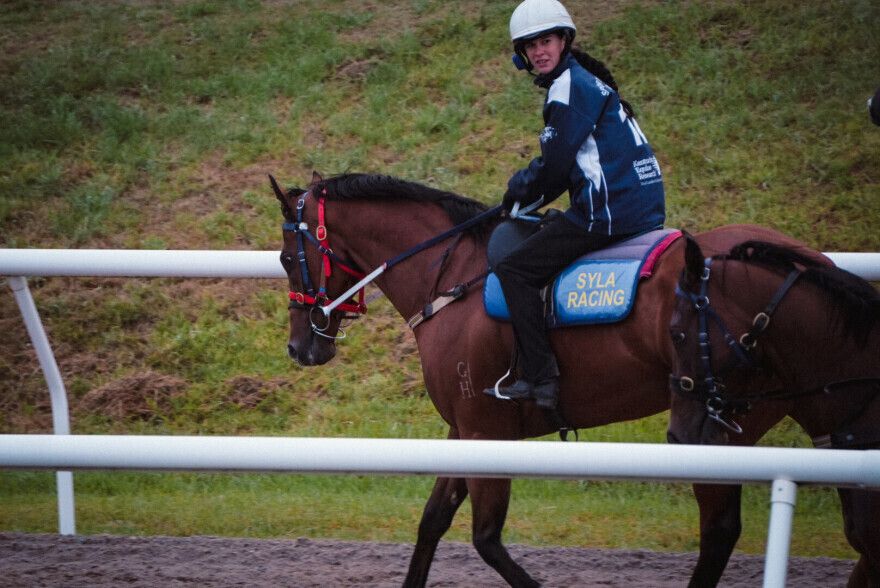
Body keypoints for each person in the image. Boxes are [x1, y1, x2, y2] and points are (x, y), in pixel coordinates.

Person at [484, 0, 666, 409]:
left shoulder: (568, 88)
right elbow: (570, 168)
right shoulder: (585, 82)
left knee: (514, 271)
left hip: (611, 212)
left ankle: (541, 379)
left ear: (564, 41)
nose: (539, 52)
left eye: (546, 41)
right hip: (638, 206)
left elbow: (553, 170)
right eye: (530, 46)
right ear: (522, 55)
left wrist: (515, 191)